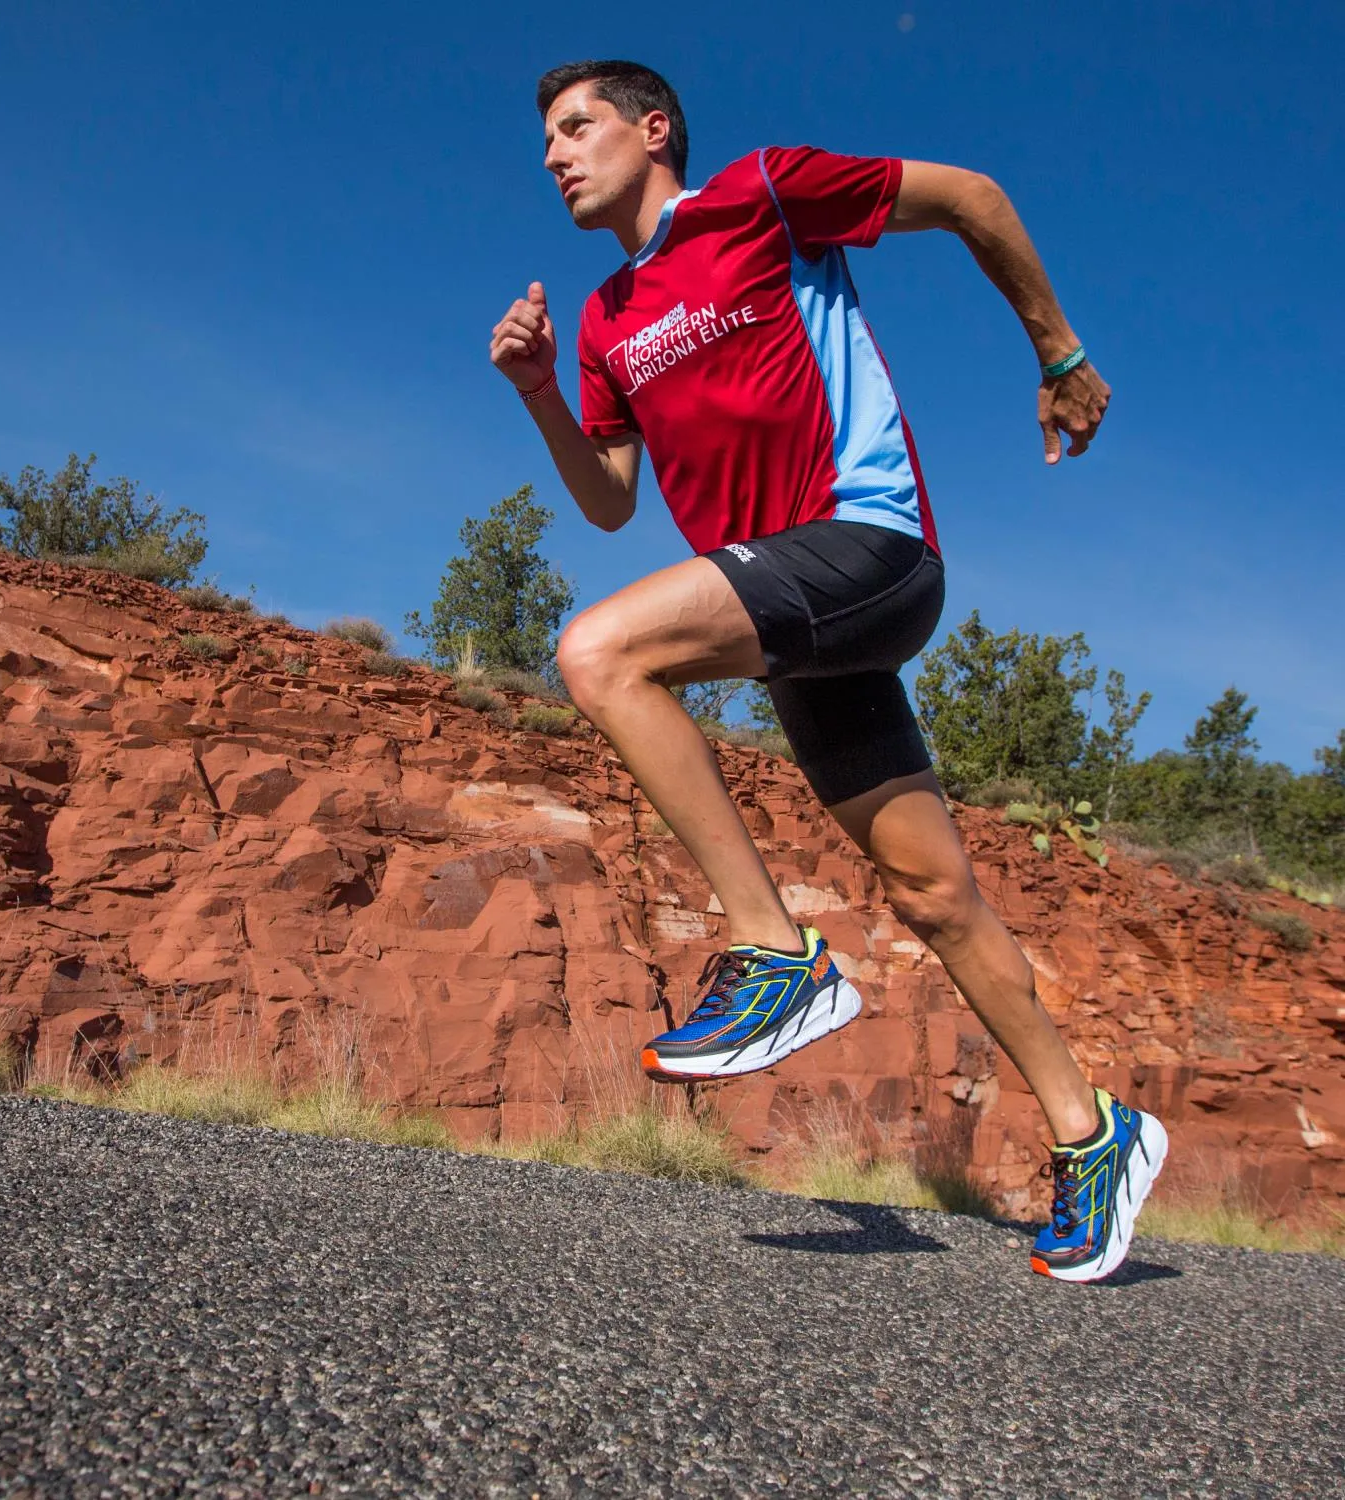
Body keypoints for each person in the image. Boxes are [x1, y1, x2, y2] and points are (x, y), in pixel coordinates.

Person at [489, 59, 1165, 1282]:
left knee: (597, 651)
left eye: (575, 126)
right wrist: (541, 391)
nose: (553, 153)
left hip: (870, 546)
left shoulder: (759, 195)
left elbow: (971, 194)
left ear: (654, 131)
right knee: (933, 894)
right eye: (544, 139)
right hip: (798, 616)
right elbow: (605, 501)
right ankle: (1095, 1131)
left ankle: (778, 954)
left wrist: (1060, 354)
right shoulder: (605, 320)